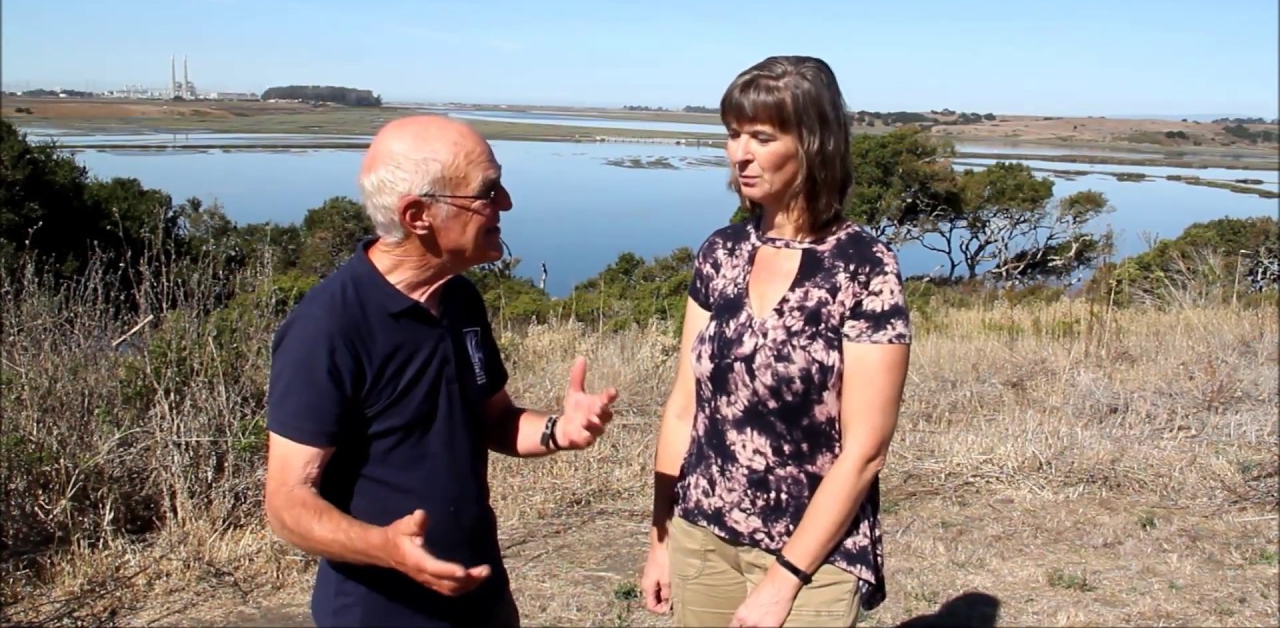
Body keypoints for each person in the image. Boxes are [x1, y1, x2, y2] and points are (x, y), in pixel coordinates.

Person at [263, 115, 619, 628]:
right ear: (417, 215)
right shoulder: (329, 325)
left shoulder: (459, 299)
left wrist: (558, 430)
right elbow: (287, 503)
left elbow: (493, 419)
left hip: (480, 595)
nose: (506, 204)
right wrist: (386, 547)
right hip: (382, 611)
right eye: (487, 192)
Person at [640, 56, 912, 628]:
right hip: (701, 534)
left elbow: (865, 450)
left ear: (813, 144)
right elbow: (683, 408)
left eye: (762, 137)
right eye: (734, 135)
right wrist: (662, 536)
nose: (740, 153)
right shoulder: (721, 252)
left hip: (813, 557)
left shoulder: (863, 267)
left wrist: (783, 581)